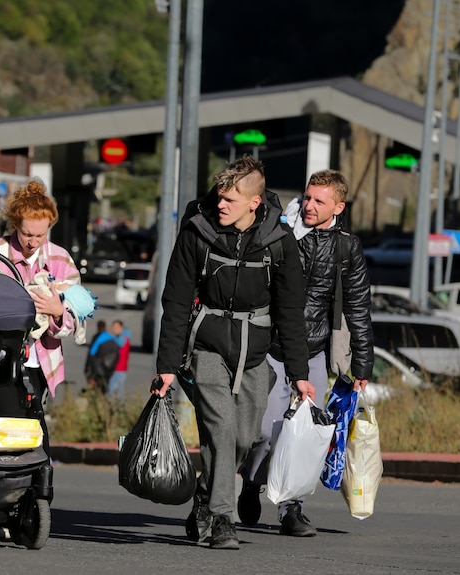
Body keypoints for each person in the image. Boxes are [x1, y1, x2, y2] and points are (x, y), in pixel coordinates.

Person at [151, 155, 313, 550]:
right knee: (221, 430)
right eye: (220, 197)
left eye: (232, 200)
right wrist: (167, 366)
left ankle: (206, 495)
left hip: (255, 350)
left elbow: (290, 311)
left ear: (254, 203)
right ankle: (223, 519)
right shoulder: (198, 231)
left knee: (245, 436)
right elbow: (174, 301)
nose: (221, 205)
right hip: (206, 345)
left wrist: (299, 371)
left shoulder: (280, 241)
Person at [238, 169, 374, 537]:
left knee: (303, 434)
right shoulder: (284, 234)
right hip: (270, 346)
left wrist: (362, 363)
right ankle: (251, 483)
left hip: (313, 350)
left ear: (339, 207)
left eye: (319, 201)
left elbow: (358, 307)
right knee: (264, 433)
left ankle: (291, 509)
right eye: (307, 198)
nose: (310, 206)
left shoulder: (347, 248)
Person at [0, 176, 81, 539]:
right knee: (9, 434)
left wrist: (57, 310)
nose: (33, 242)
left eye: (40, 235)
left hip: (40, 362)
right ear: (14, 226)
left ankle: (31, 508)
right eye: (26, 235)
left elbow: (72, 320)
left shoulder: (60, 259)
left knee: (35, 435)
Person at [86, 320, 124, 394]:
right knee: (105, 389)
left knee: (97, 389)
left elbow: (92, 353)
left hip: (98, 369)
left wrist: (88, 368)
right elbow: (118, 355)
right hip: (109, 370)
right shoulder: (115, 340)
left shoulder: (101, 338)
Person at [108, 321, 131, 399]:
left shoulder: (122, 338)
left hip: (119, 368)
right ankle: (119, 407)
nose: (113, 329)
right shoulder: (124, 337)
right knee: (118, 389)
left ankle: (118, 407)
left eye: (116, 327)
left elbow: (118, 343)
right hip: (120, 368)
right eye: (113, 327)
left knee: (113, 389)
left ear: (121, 328)